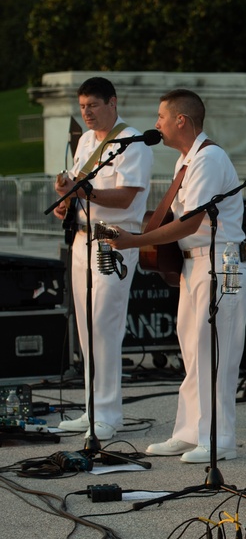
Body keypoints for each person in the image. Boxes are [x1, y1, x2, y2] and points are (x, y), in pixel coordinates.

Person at [110, 89, 246, 464]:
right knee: (192, 348)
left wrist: (136, 240)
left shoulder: (209, 158)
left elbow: (189, 222)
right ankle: (191, 431)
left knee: (214, 352)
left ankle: (220, 438)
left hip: (219, 263)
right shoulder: (185, 162)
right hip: (195, 264)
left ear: (181, 121)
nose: (155, 123)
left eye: (160, 116)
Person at [52, 77, 153, 441]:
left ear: (112, 102)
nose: (87, 113)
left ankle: (109, 415)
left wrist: (83, 191)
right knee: (86, 330)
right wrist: (67, 201)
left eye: (93, 105)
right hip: (81, 238)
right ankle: (93, 410)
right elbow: (82, 190)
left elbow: (126, 198)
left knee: (105, 328)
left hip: (113, 241)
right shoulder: (83, 142)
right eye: (82, 107)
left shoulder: (133, 142)